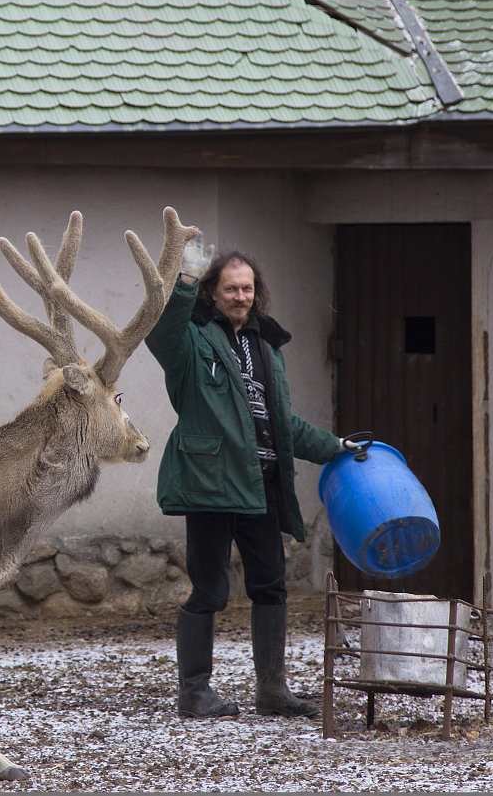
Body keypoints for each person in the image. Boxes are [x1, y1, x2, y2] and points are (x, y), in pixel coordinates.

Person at [144, 239, 354, 719]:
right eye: (230, 288)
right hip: (211, 484)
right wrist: (184, 282)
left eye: (247, 288)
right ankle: (194, 693)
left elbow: (284, 424)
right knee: (209, 590)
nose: (240, 296)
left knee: (270, 585)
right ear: (213, 294)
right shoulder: (192, 338)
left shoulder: (266, 346)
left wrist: (336, 448)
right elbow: (160, 336)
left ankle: (272, 691)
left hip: (261, 483)